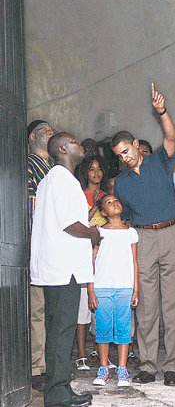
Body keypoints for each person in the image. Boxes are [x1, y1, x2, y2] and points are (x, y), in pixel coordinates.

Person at [111, 83, 175, 387]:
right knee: (146, 306)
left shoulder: (159, 162)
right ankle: (148, 365)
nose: (124, 158)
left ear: (136, 144)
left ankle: (172, 368)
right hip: (143, 239)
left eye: (126, 151)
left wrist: (162, 111)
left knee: (174, 303)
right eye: (119, 155)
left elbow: (171, 136)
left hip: (171, 234)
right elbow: (124, 218)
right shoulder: (122, 184)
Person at [30, 132, 101, 407]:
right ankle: (57, 393)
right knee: (62, 330)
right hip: (63, 269)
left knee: (59, 329)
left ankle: (59, 386)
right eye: (72, 141)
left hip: (57, 268)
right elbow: (70, 224)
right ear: (62, 148)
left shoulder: (51, 179)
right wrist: (93, 234)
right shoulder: (63, 179)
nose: (79, 144)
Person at [88, 194, 139, 387]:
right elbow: (91, 263)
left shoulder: (131, 232)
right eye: (108, 202)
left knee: (123, 328)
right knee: (103, 329)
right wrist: (90, 290)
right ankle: (103, 368)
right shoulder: (98, 232)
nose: (114, 203)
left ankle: (122, 368)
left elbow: (134, 262)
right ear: (102, 212)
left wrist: (136, 289)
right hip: (102, 287)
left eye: (116, 200)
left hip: (125, 287)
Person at [75, 156, 112, 371]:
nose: (96, 173)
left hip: (104, 255)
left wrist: (104, 201)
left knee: (102, 305)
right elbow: (80, 223)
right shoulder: (80, 195)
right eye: (91, 169)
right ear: (85, 173)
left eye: (99, 169)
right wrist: (96, 205)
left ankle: (101, 353)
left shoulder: (109, 196)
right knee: (83, 307)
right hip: (83, 254)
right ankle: (81, 353)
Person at [27, 119, 54, 391]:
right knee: (37, 309)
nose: (52, 131)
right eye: (46, 129)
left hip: (57, 248)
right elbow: (31, 204)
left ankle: (54, 365)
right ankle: (37, 367)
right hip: (38, 244)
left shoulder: (56, 167)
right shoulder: (29, 165)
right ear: (33, 136)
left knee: (55, 310)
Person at [138, 139, 175, 227]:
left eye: (145, 152)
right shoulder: (131, 181)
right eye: (138, 153)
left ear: (152, 155)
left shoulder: (170, 176)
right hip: (145, 234)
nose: (142, 156)